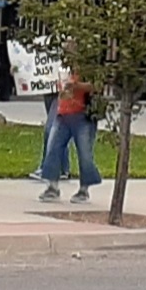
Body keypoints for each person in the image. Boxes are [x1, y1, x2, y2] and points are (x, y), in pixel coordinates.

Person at [36, 70, 102, 204]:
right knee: (53, 148)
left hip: (82, 114)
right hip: (63, 113)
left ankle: (84, 189)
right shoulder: (62, 68)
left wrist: (77, 86)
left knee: (85, 153)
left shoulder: (87, 66)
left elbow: (96, 86)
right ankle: (52, 186)